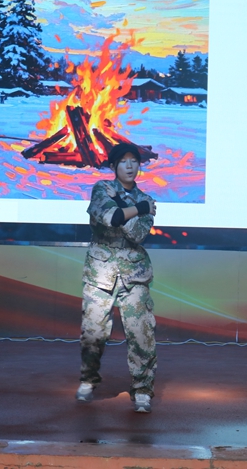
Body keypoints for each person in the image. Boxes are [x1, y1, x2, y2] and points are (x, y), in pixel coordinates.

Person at [76, 143, 158, 413]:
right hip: (100, 275)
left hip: (135, 275)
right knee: (93, 334)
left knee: (141, 334)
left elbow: (137, 234)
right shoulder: (101, 189)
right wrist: (139, 209)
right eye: (123, 161)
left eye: (134, 161)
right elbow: (110, 217)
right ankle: (89, 379)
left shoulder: (146, 198)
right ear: (113, 166)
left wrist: (126, 204)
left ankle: (142, 389)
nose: (130, 166)